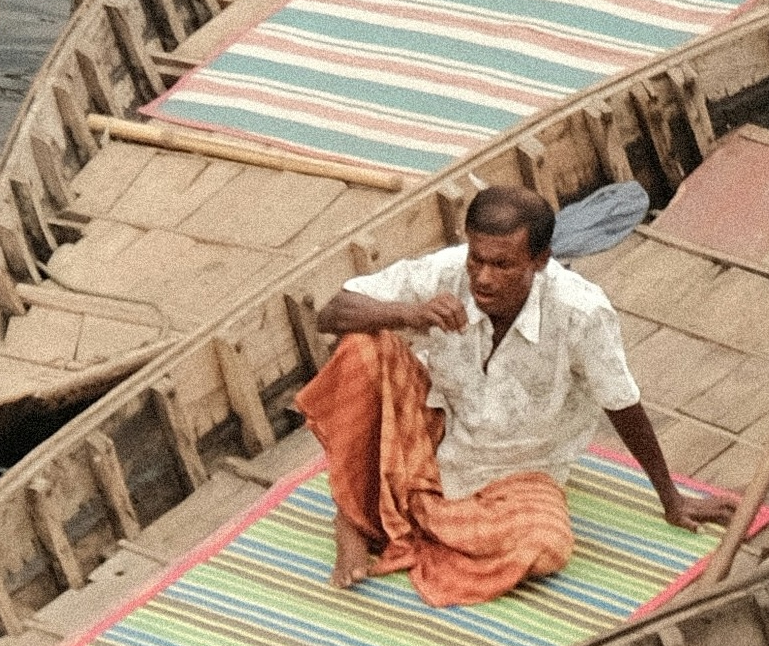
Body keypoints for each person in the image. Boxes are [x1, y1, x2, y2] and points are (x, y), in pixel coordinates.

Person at [301, 183, 703, 601]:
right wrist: (409, 313)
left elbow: (622, 403)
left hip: (519, 469)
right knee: (360, 349)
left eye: (503, 265)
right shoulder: (448, 271)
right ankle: (353, 519)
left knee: (541, 545)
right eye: (477, 259)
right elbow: (332, 313)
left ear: (540, 260)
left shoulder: (581, 312)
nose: (483, 278)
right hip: (436, 432)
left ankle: (392, 513)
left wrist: (670, 498)